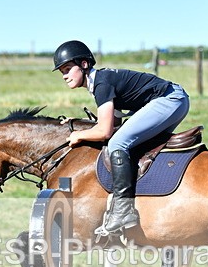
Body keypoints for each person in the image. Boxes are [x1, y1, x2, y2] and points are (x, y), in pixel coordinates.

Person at [52, 40, 190, 235]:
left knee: (118, 143)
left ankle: (123, 210)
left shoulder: (101, 83)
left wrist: (78, 135)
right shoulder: (101, 81)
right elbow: (114, 124)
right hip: (175, 99)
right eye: (62, 72)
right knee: (128, 143)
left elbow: (105, 132)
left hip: (170, 100)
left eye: (67, 69)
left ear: (84, 65)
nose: (65, 76)